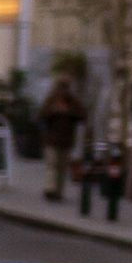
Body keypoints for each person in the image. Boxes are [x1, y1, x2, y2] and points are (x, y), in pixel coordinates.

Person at [41, 68, 87, 203]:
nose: (63, 91)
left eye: (65, 87)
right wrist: (54, 111)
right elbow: (41, 116)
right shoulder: (51, 100)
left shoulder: (73, 102)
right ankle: (50, 189)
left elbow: (83, 115)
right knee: (52, 164)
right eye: (61, 87)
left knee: (61, 168)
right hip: (51, 140)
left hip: (66, 140)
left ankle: (58, 192)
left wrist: (68, 112)